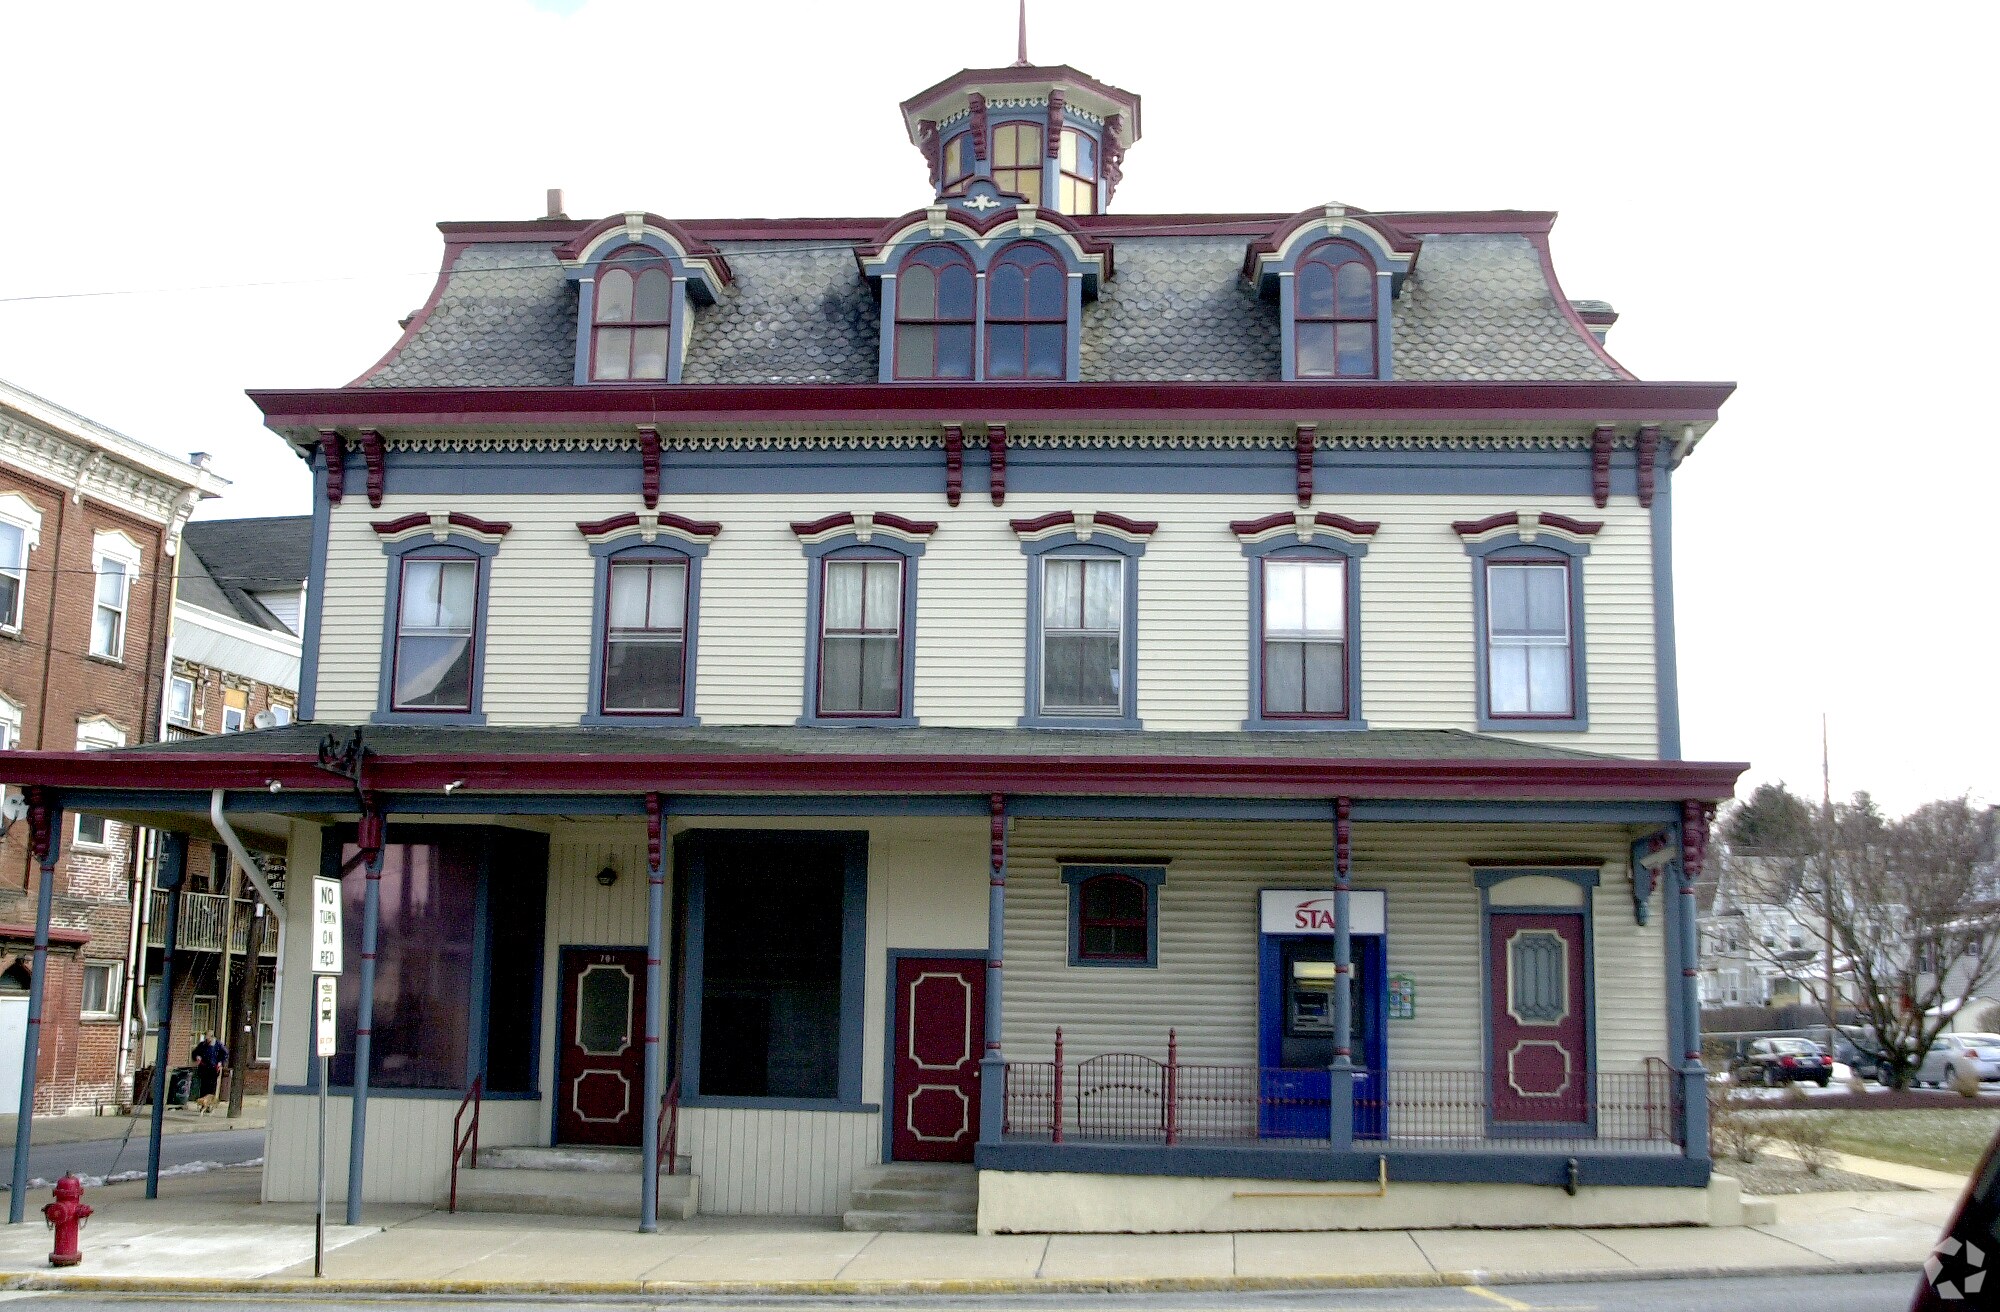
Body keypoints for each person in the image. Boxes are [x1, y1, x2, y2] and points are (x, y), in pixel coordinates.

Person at [191, 1032, 228, 1114]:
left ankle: (210, 1105)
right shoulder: (202, 1044)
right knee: (203, 1087)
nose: (207, 1040)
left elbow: (225, 1054)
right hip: (204, 1068)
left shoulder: (218, 1045)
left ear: (212, 1037)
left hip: (213, 1069)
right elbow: (195, 1052)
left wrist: (220, 1062)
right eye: (206, 1038)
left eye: (208, 1038)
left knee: (211, 1088)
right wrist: (197, 1056)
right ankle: (203, 1105)